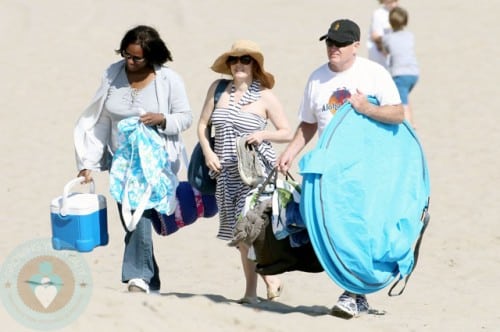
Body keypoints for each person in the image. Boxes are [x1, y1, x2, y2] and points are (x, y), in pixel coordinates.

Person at [277, 19, 404, 318]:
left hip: (366, 168)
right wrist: (290, 152)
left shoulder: (374, 74)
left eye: (341, 43)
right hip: (328, 169)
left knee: (356, 229)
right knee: (332, 229)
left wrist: (367, 109)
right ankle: (357, 293)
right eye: (330, 42)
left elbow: (398, 114)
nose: (333, 48)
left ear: (356, 46)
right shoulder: (317, 79)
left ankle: (351, 293)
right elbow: (309, 123)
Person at [74, 25, 192, 294]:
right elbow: (101, 119)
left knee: (139, 216)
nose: (129, 61)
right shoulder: (112, 74)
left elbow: (185, 117)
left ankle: (137, 277)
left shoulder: (169, 80)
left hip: (155, 162)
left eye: (136, 57)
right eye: (126, 54)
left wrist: (162, 119)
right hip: (121, 162)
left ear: (151, 57)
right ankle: (151, 282)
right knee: (131, 219)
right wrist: (88, 163)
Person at [197, 40, 291, 304]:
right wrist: (208, 151)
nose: (239, 64)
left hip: (257, 174)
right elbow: (202, 125)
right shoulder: (218, 91)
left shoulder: (265, 96)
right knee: (240, 238)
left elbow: (286, 132)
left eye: (245, 60)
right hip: (225, 174)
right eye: (234, 60)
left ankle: (265, 283)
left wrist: (263, 133)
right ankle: (255, 290)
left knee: (247, 229)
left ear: (254, 65)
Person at [383, 6, 419, 128]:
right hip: (414, 73)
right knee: (405, 98)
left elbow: (385, 50)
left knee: (402, 103)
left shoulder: (388, 38)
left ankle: (408, 126)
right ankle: (412, 121)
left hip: (400, 73)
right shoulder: (409, 36)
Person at [367, 0, 399, 68]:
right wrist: (385, 52)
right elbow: (375, 36)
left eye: (395, 1)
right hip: (379, 53)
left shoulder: (397, 13)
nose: (393, 5)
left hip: (391, 52)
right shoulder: (378, 14)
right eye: (390, 2)